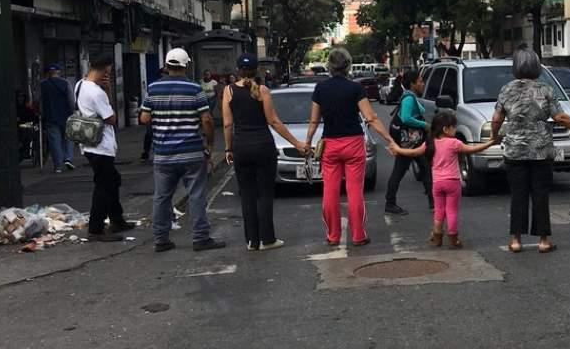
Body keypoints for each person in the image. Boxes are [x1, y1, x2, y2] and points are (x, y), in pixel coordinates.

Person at [492, 48, 570, 254]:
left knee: (518, 194)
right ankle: (543, 240)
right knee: (540, 193)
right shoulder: (546, 89)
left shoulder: (506, 89)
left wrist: (495, 136)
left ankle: (515, 240)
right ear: (537, 66)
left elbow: (497, 118)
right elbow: (561, 118)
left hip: (514, 150)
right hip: (541, 150)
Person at [305, 47, 402, 247]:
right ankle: (358, 235)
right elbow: (371, 117)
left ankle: (333, 236)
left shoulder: (320, 89)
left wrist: (307, 142)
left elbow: (314, 121)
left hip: (330, 144)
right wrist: (389, 139)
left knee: (330, 191)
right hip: (353, 143)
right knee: (354, 191)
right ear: (348, 66)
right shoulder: (355, 88)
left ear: (329, 66)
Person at [222, 54, 310, 251]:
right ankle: (267, 239)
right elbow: (274, 122)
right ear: (257, 70)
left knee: (247, 195)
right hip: (263, 146)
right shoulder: (263, 90)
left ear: (238, 70)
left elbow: (228, 124)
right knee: (265, 194)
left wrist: (229, 148)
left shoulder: (228, 91)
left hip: (241, 147)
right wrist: (296, 143)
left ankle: (251, 241)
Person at [141, 48, 225, 253]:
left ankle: (161, 239)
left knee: (162, 197)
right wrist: (209, 146)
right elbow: (206, 120)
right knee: (196, 195)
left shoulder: (153, 88)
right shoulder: (194, 88)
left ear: (167, 66)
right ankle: (200, 238)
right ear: (186, 65)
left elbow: (144, 118)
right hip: (192, 152)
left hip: (163, 155)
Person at [76, 57, 130, 241]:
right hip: (101, 145)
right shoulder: (96, 93)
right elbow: (111, 118)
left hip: (89, 143)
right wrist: (107, 91)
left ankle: (117, 219)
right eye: (109, 71)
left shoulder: (80, 85)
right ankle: (95, 229)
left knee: (113, 180)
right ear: (105, 71)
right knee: (103, 186)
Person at [426, 111, 494, 248]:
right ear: (446, 129)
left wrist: (397, 149)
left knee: (439, 210)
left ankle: (437, 235)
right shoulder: (454, 143)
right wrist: (489, 143)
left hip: (437, 183)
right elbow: (471, 149)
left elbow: (413, 152)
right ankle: (453, 238)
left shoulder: (431, 143)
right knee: (451, 210)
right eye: (454, 127)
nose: (455, 129)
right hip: (452, 182)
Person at [384, 68, 432, 216]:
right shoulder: (409, 98)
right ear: (412, 84)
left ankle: (433, 201)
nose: (423, 84)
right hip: (408, 141)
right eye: (420, 81)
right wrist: (425, 125)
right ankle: (390, 203)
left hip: (411, 140)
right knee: (401, 170)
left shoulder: (409, 96)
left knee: (424, 168)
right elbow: (405, 118)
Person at [40, 64, 75, 173]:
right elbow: (71, 100)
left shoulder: (42, 84)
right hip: (66, 115)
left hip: (50, 116)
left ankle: (58, 166)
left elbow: (38, 99)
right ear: (59, 72)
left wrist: (41, 112)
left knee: (55, 141)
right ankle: (68, 158)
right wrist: (73, 111)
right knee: (69, 137)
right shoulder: (66, 83)